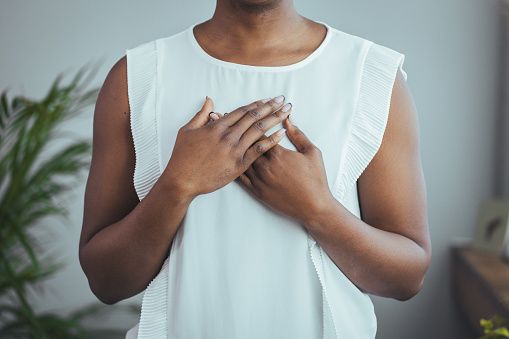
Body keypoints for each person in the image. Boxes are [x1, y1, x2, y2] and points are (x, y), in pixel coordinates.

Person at [79, 1, 432, 338]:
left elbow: (407, 278)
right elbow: (106, 282)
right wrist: (178, 184)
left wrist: (317, 208)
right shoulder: (137, 77)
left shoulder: (371, 75)